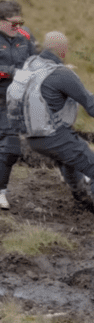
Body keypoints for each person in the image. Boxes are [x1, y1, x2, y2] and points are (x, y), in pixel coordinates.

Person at [14, 32, 94, 221]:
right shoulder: (63, 74)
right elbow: (93, 107)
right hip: (54, 134)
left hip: (31, 136)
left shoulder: (30, 66)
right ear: (63, 50)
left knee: (69, 160)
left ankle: (82, 199)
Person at [0, 1, 35, 210]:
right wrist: (13, 72)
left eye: (21, 22)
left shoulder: (25, 36)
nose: (18, 27)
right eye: (13, 23)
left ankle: (1, 191)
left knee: (11, 146)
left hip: (12, 101)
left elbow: (34, 61)